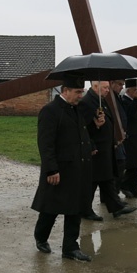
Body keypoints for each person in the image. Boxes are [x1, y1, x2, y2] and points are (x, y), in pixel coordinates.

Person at [31, 77, 93, 262]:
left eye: (82, 92)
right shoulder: (50, 111)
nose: (80, 96)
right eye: (77, 92)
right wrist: (51, 169)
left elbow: (81, 136)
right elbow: (45, 143)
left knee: (74, 209)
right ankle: (41, 237)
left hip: (77, 169)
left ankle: (70, 248)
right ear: (65, 90)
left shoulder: (77, 110)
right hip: (58, 169)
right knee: (51, 208)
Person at [78, 80, 136, 220]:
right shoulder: (87, 102)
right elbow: (82, 128)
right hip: (96, 150)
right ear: (95, 87)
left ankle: (115, 207)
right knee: (93, 182)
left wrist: (114, 139)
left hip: (105, 148)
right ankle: (85, 211)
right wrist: (95, 125)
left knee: (106, 179)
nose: (107, 90)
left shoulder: (100, 100)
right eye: (104, 88)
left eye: (108, 88)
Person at [110, 79, 128, 194]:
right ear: (112, 83)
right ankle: (112, 197)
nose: (122, 87)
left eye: (123, 85)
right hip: (114, 139)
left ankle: (114, 197)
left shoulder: (117, 97)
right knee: (118, 166)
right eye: (120, 84)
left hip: (120, 137)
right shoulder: (108, 98)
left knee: (121, 165)